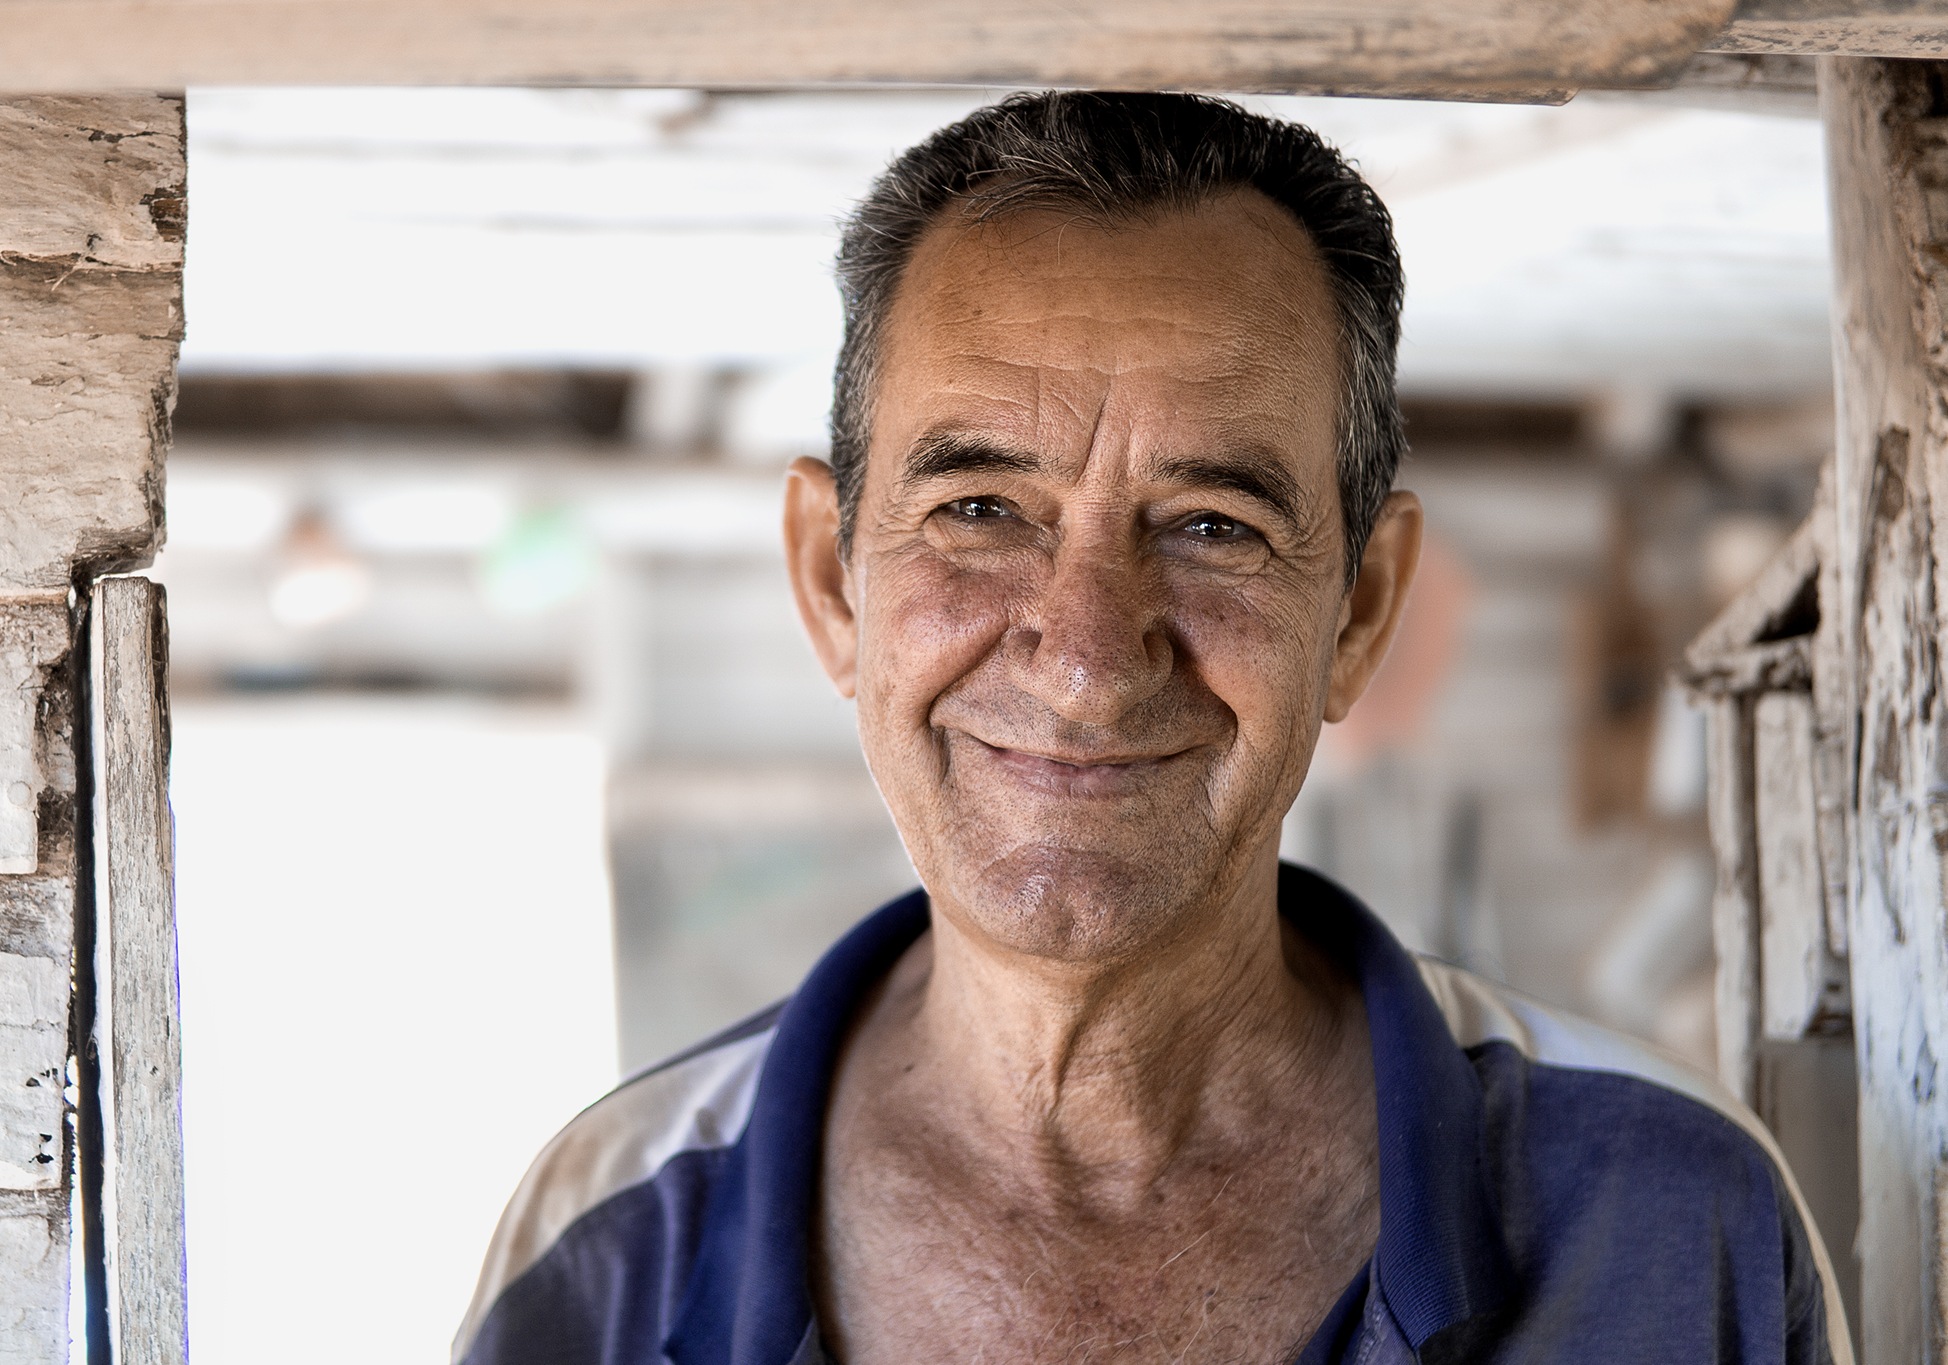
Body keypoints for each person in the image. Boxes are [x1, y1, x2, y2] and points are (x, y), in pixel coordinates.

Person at [453, 91, 1848, 1365]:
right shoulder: (605, 1245)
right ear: (833, 583)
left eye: (1212, 526)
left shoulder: (1677, 1224)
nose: (1086, 662)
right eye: (980, 509)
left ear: (1360, 610)